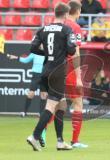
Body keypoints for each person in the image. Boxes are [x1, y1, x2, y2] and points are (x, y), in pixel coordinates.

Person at [26, 2, 76, 151]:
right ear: (66, 15)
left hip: (46, 70)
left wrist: (47, 53)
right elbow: (72, 50)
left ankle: (60, 141)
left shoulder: (43, 29)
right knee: (51, 106)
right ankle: (35, 136)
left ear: (55, 13)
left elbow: (32, 47)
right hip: (58, 71)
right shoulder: (67, 29)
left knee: (62, 105)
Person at [63, 0, 88, 149]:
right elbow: (76, 54)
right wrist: (79, 77)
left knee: (54, 104)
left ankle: (40, 135)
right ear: (78, 12)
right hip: (70, 69)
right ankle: (75, 140)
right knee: (78, 103)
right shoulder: (76, 27)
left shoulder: (59, 24)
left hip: (55, 68)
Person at [7, 52, 47, 117]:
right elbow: (25, 60)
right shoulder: (34, 53)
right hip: (36, 75)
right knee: (31, 93)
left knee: (44, 95)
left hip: (45, 75)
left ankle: (41, 113)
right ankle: (24, 112)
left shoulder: (47, 52)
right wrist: (16, 57)